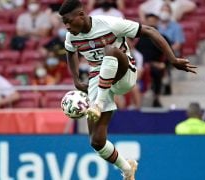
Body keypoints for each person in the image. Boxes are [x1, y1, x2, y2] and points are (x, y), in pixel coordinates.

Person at [59, 0, 197, 179]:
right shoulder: (72, 36)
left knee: (111, 50)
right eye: (64, 23)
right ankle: (127, 168)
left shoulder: (110, 24)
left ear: (81, 15)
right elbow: (70, 52)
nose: (67, 26)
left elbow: (149, 30)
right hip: (98, 78)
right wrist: (76, 79)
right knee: (97, 141)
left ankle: (99, 103)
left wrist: (172, 59)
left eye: (69, 21)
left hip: (124, 73)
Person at [135, 13, 169, 107]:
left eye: (153, 22)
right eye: (149, 22)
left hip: (156, 64)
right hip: (141, 65)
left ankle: (156, 97)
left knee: (156, 72)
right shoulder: (139, 39)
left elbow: (168, 54)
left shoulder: (163, 38)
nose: (151, 24)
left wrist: (163, 64)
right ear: (145, 22)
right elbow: (135, 54)